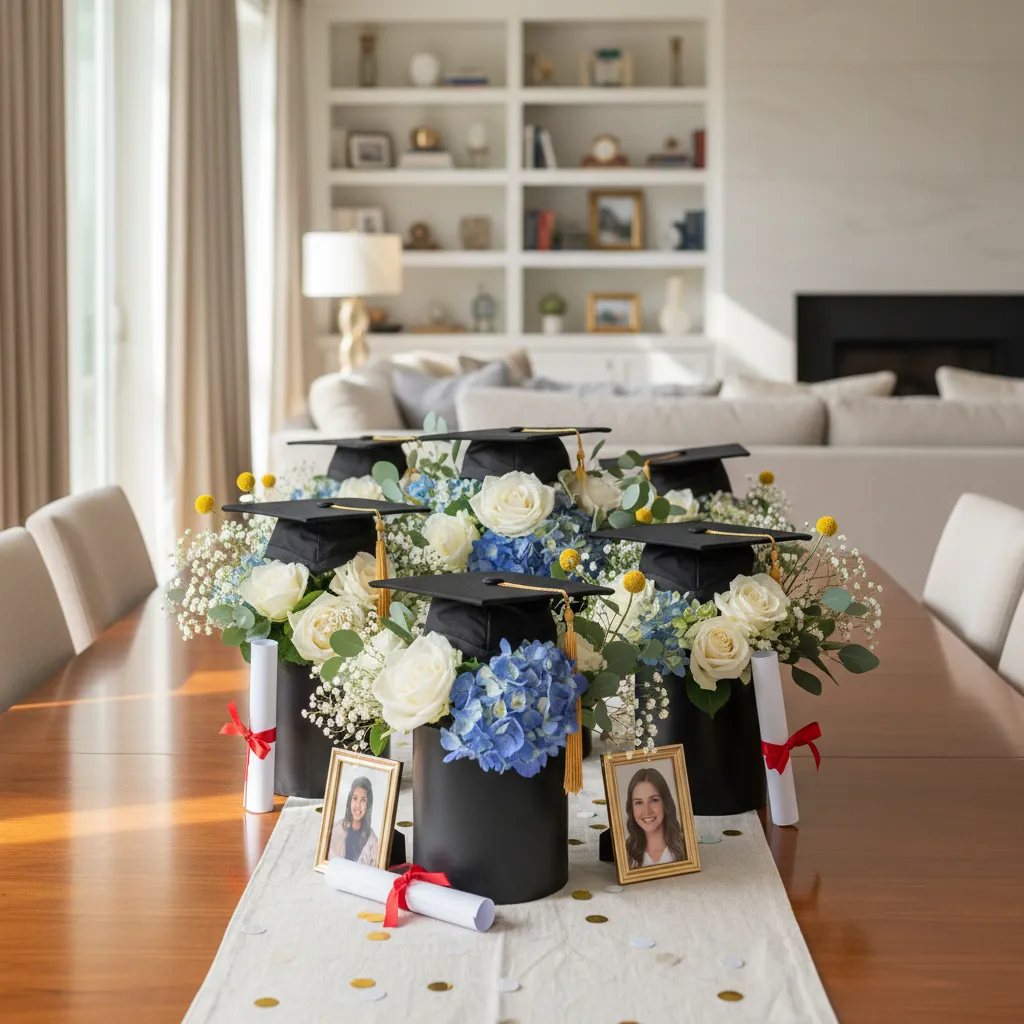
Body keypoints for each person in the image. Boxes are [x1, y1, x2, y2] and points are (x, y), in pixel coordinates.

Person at [624, 766, 687, 869]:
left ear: (665, 803)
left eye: (654, 800)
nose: (646, 811)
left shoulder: (686, 845)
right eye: (639, 802)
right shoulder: (625, 852)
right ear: (631, 808)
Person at [329, 774, 380, 866]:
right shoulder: (334, 831)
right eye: (355, 798)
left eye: (363, 800)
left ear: (368, 805)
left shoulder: (373, 842)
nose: (358, 805)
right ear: (350, 800)